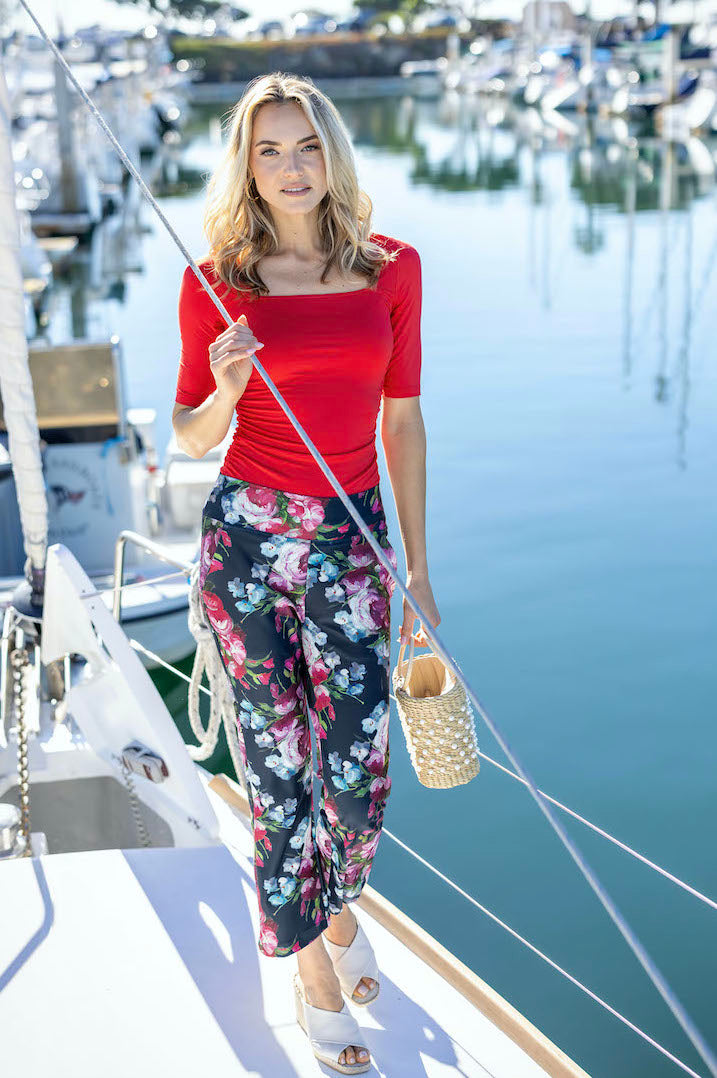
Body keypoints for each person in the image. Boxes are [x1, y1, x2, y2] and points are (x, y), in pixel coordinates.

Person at [172, 71, 440, 1073]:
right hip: (245, 544)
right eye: (270, 149)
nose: (291, 168)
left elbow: (403, 422)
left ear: (334, 154)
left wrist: (418, 566)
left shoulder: (394, 269)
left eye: (308, 146)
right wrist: (229, 385)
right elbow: (192, 435)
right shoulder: (215, 281)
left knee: (356, 778)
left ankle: (333, 915)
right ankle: (312, 971)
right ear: (247, 161)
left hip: (352, 544)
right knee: (280, 774)